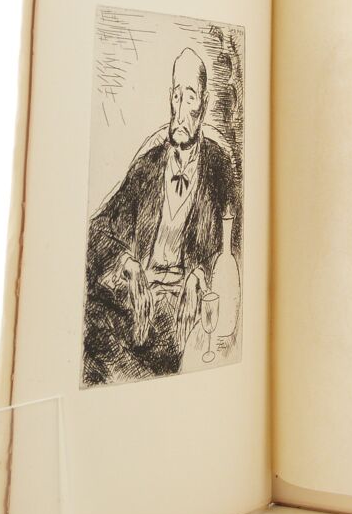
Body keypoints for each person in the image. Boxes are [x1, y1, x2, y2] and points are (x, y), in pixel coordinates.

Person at [83, 48, 239, 385]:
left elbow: (231, 240)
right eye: (177, 96)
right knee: (90, 319)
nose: (180, 112)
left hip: (180, 309)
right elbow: (98, 229)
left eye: (190, 97)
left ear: (204, 104)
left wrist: (200, 273)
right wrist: (128, 264)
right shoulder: (148, 165)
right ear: (170, 97)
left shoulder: (219, 167)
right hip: (139, 301)